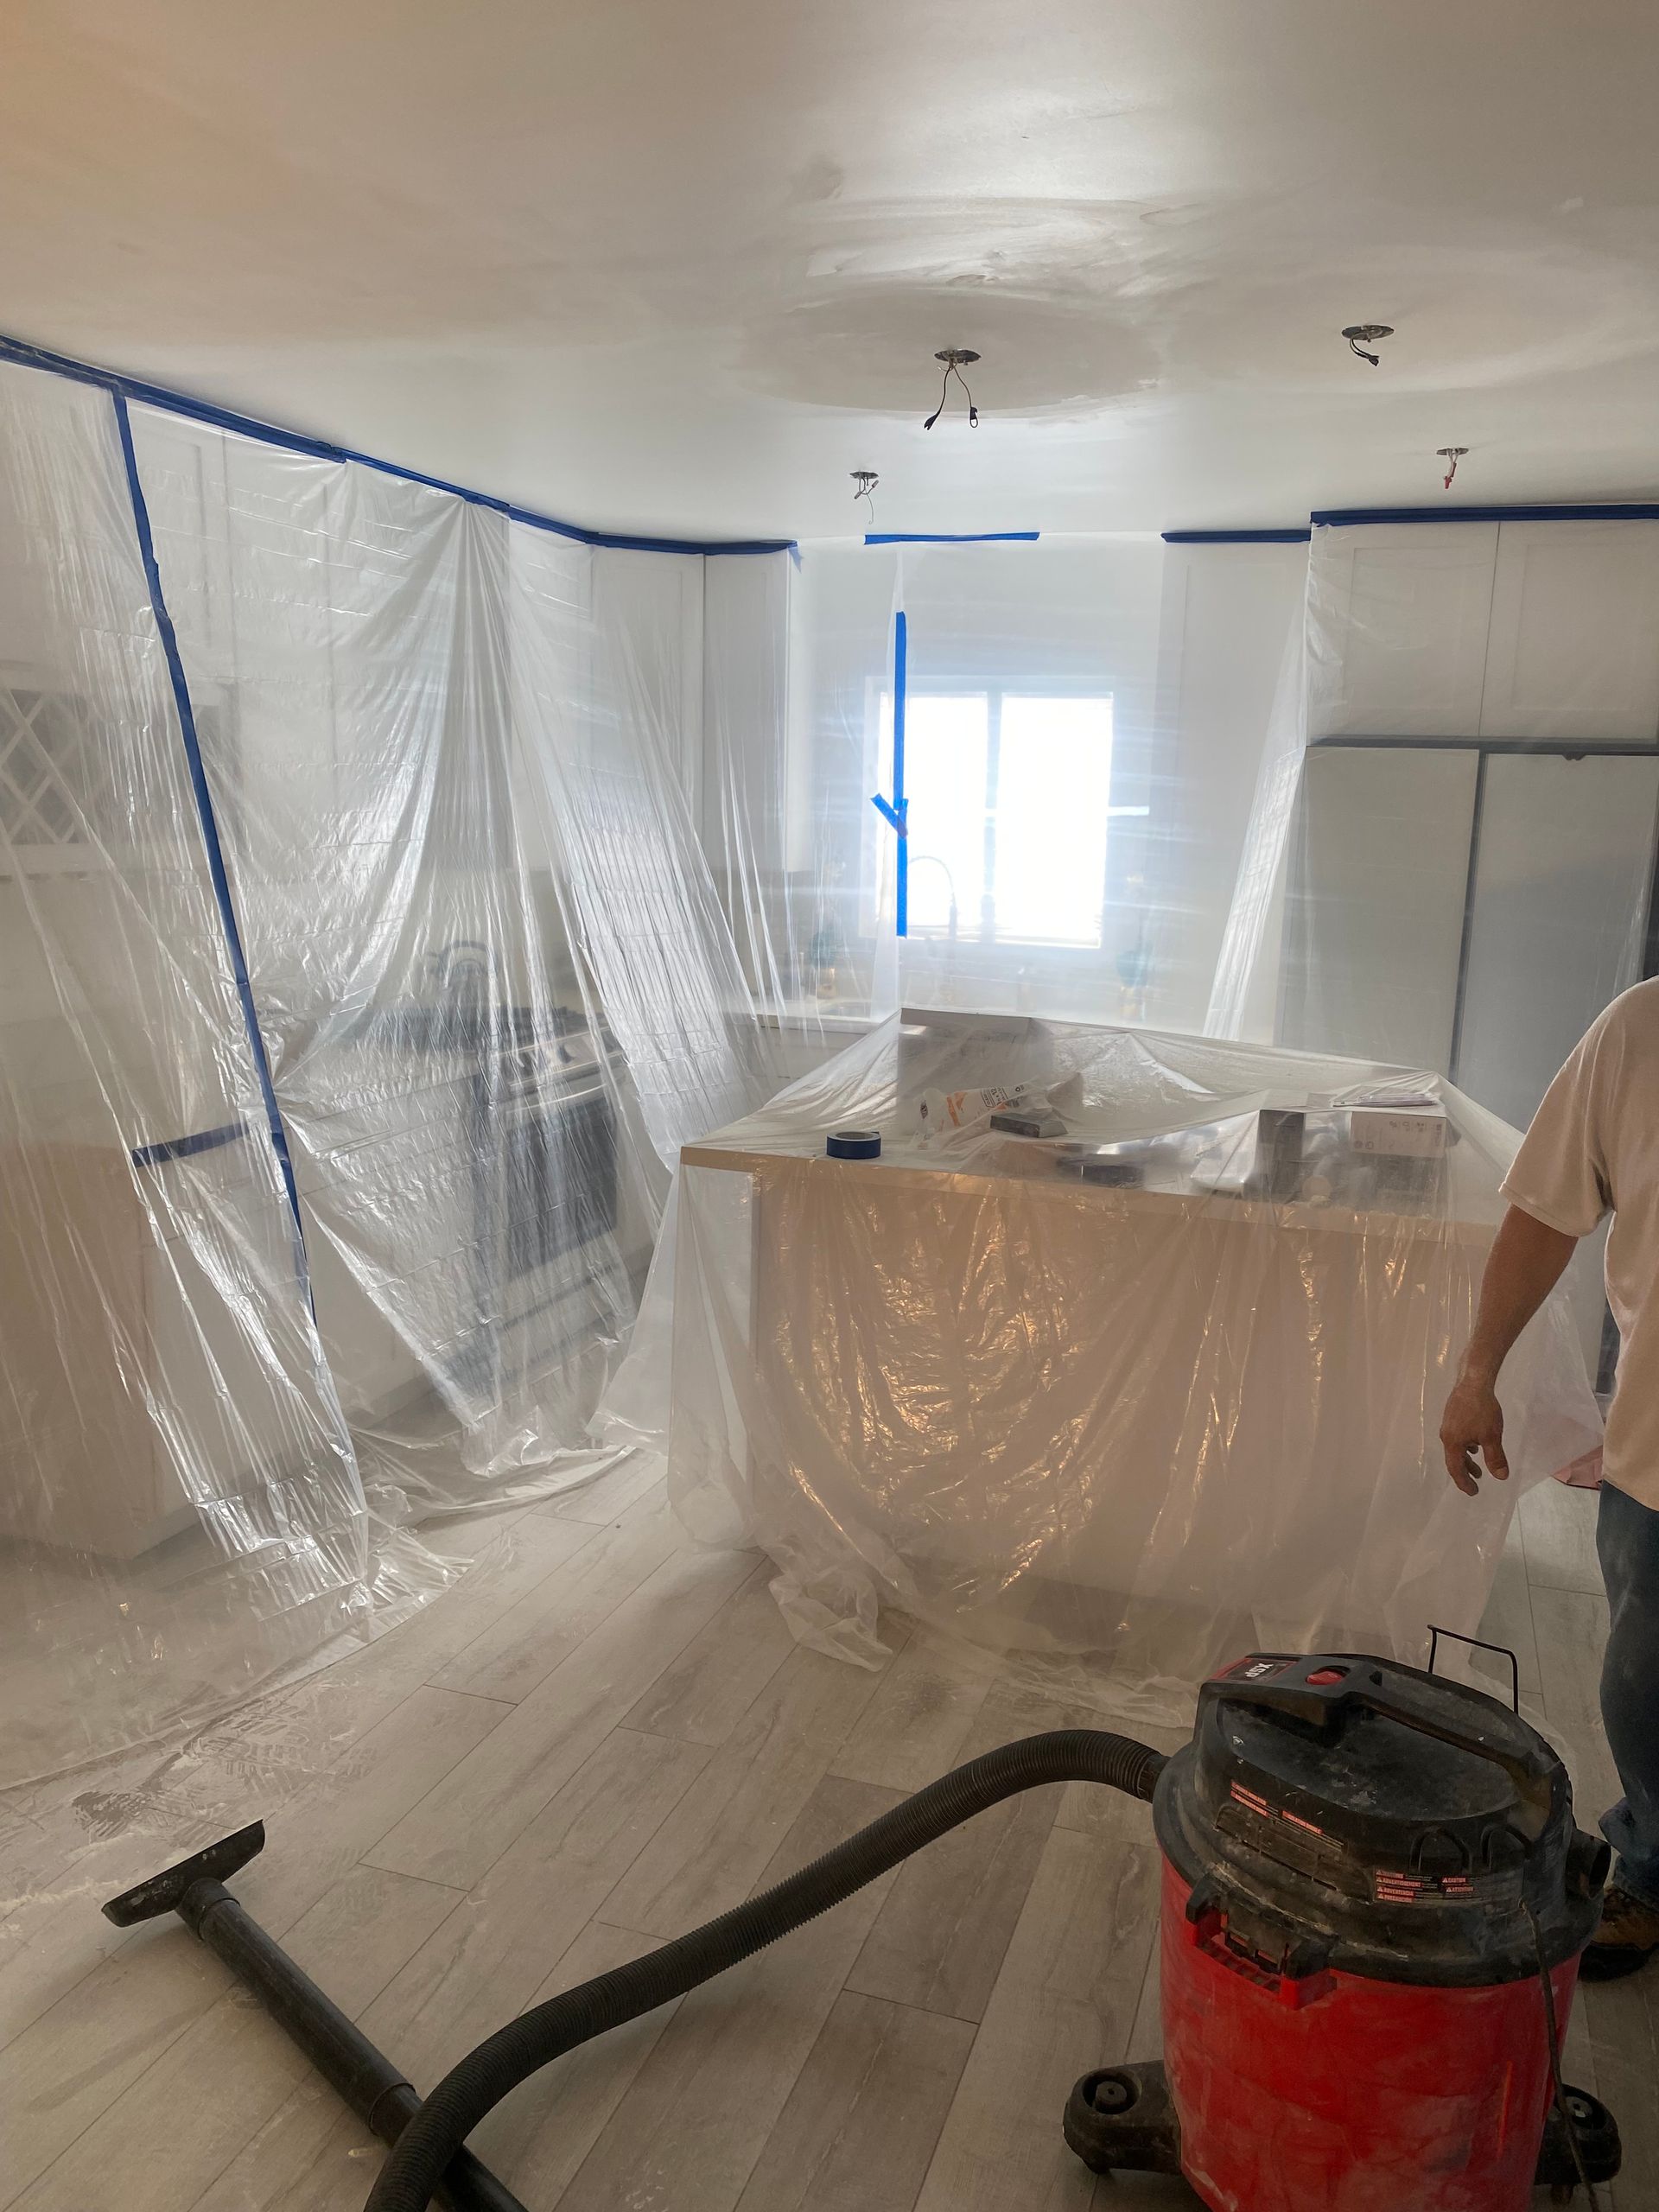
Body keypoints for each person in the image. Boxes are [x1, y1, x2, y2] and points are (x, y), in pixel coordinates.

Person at [1440, 977, 1659, 1981]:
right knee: (1641, 1684)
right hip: (1657, 1457)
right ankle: (1654, 1868)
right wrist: (1478, 1370)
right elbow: (1543, 1213)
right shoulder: (1639, 1031)